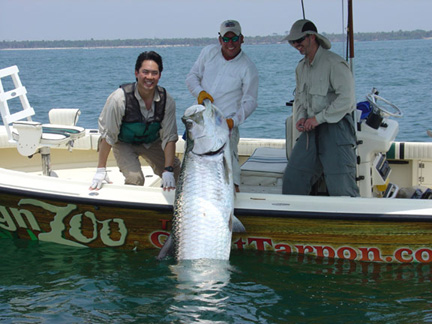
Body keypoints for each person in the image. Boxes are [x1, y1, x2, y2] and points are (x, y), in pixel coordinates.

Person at [281, 19, 359, 197]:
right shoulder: (301, 68)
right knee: (292, 180)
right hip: (310, 130)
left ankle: (349, 222)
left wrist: (318, 119)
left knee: (342, 188)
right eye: (292, 42)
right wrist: (301, 117)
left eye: (298, 41)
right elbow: (299, 97)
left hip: (336, 129)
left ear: (311, 38)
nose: (296, 45)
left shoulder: (334, 63)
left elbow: (347, 99)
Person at [90, 51, 181, 191]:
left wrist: (168, 170)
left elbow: (169, 137)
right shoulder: (119, 99)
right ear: (136, 73)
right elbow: (108, 136)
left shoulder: (167, 100)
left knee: (177, 174)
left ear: (160, 75)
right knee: (136, 179)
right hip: (124, 142)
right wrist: (101, 170)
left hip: (151, 141)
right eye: (145, 72)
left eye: (154, 73)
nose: (149, 77)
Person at [185, 19, 259, 192]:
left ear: (242, 39)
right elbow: (191, 77)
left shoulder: (248, 68)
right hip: (201, 124)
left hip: (226, 128)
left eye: (235, 38)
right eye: (226, 39)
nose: (230, 43)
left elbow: (250, 102)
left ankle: (232, 211)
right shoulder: (208, 52)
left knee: (229, 175)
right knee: (196, 174)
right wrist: (200, 93)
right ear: (220, 40)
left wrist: (233, 121)